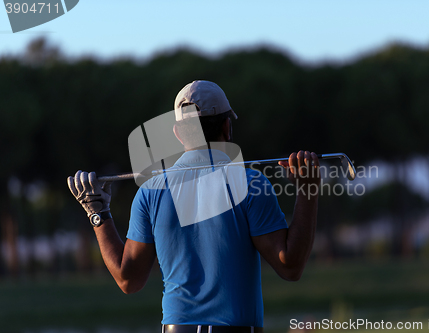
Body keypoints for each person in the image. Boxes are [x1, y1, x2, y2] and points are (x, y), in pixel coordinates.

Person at [68, 80, 321, 333]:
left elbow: (128, 280)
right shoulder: (251, 183)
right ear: (227, 126)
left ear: (178, 133)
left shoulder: (149, 192)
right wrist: (307, 188)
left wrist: (97, 212)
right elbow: (290, 267)